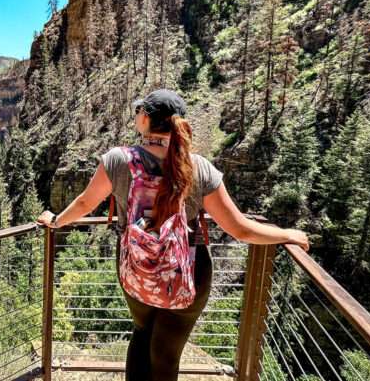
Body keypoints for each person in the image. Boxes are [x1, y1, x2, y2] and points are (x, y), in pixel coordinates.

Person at [36, 88, 309, 381]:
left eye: (139, 111)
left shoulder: (118, 160)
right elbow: (239, 228)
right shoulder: (198, 167)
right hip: (188, 271)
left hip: (136, 267)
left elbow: (85, 204)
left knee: (141, 335)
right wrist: (285, 234)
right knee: (166, 356)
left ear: (145, 119)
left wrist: (56, 221)